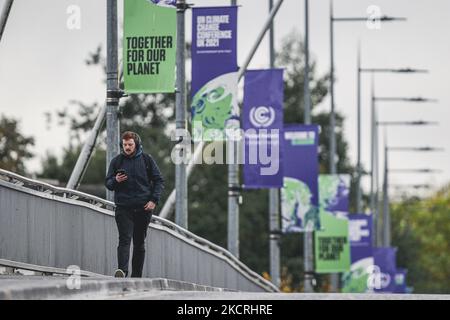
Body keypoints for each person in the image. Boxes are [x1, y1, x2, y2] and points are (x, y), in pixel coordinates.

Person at [105, 131, 164, 278]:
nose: (127, 147)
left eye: (130, 144)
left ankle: (136, 276)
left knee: (139, 242)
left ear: (136, 145)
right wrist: (116, 180)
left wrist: (153, 200)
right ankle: (122, 271)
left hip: (143, 208)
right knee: (124, 239)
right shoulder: (117, 161)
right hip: (123, 208)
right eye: (125, 145)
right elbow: (108, 183)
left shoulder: (146, 160)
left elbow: (159, 181)